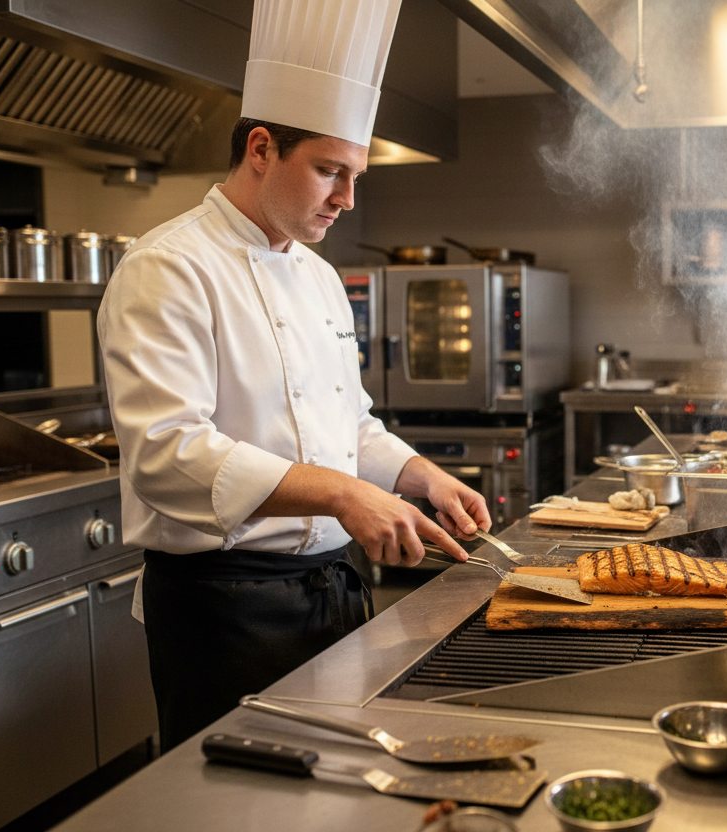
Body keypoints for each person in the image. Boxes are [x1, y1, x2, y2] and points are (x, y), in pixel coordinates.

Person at [97, 0, 489, 751]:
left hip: (333, 595)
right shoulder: (166, 268)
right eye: (329, 172)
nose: (347, 198)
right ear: (261, 148)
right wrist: (343, 493)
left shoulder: (316, 275)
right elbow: (166, 453)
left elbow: (347, 427)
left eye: (355, 175)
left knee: (339, 790)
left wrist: (420, 476)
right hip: (224, 613)